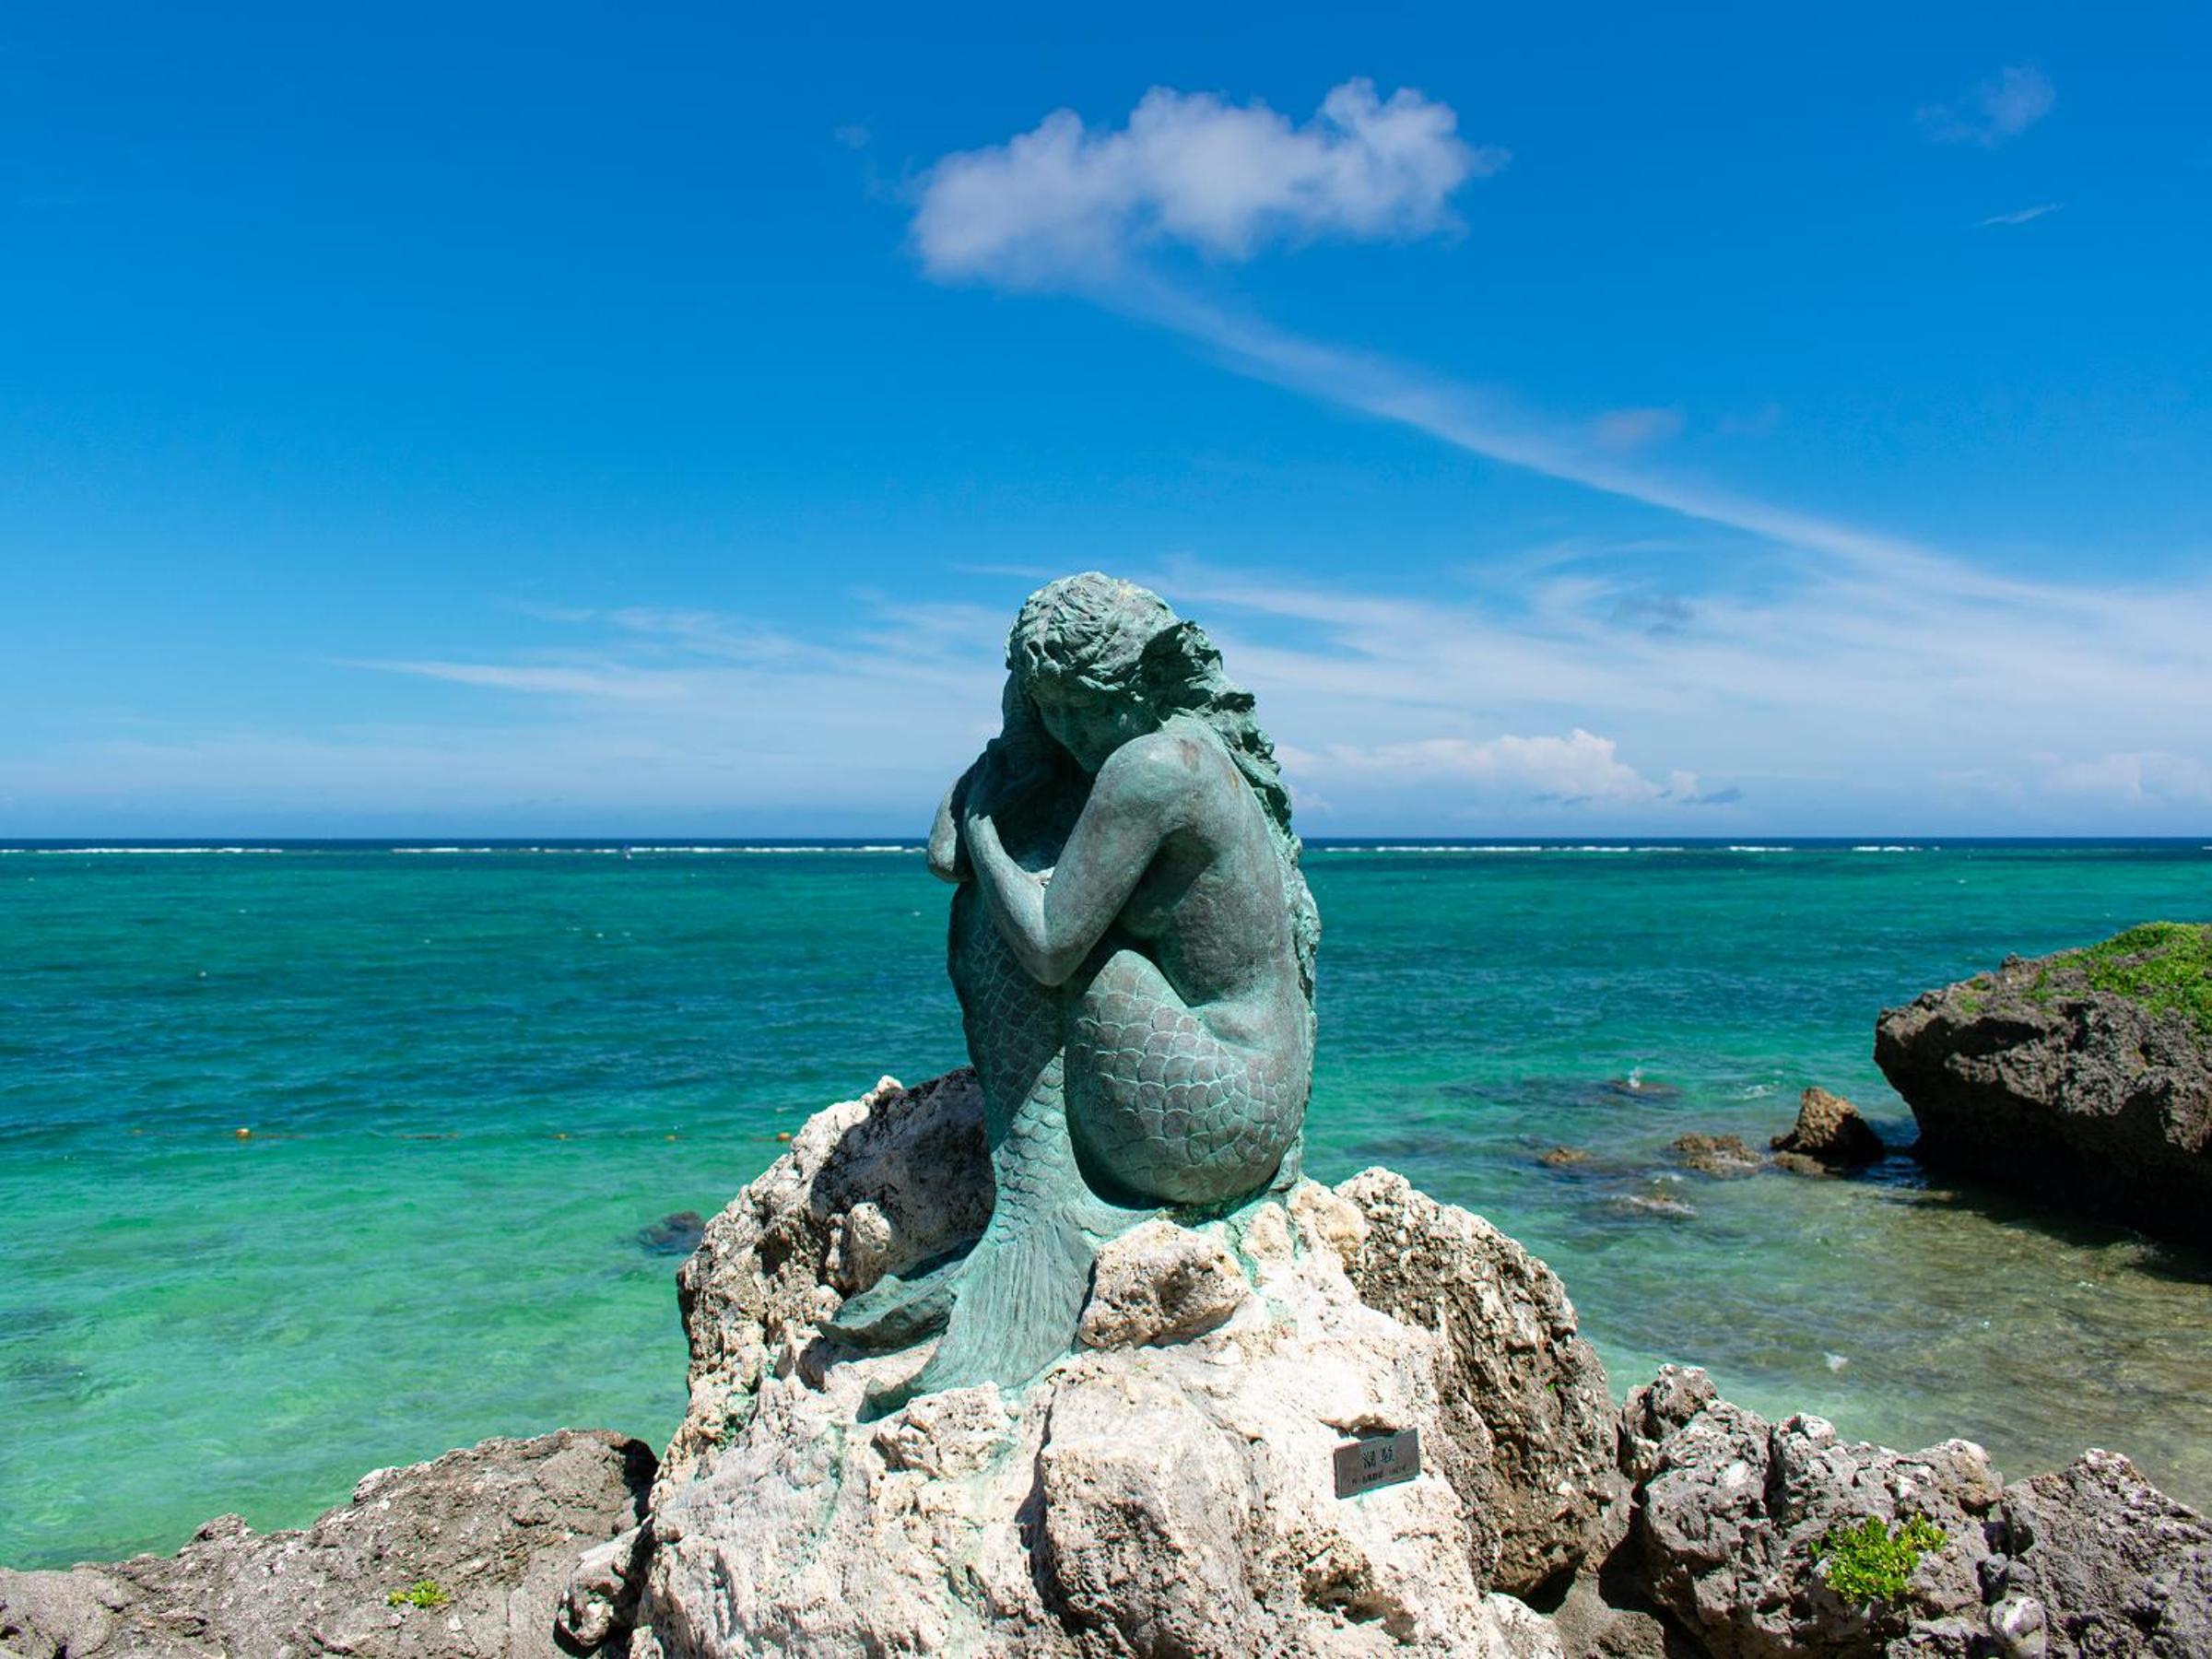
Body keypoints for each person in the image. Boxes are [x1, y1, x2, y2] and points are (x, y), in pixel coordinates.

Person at [833, 573, 1318, 1397]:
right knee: (1002, 904)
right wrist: (1016, 738)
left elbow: (1049, 943)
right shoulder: (1132, 745)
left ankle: (1038, 1218)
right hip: (1244, 1104)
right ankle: (1033, 1212)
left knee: (1014, 922)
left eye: (1087, 708)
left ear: (1143, 684)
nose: (1071, 732)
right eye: (1051, 708)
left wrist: (988, 828)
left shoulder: (1153, 766)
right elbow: (941, 854)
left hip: (1223, 1106)